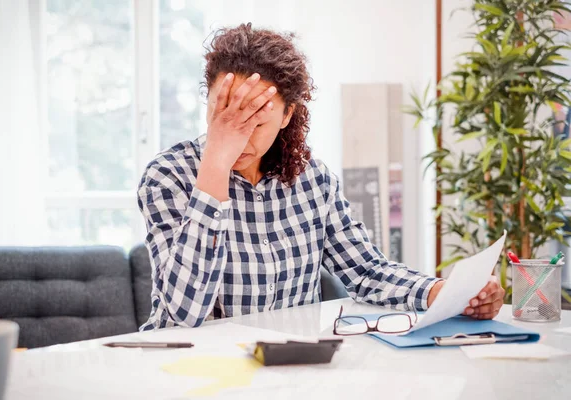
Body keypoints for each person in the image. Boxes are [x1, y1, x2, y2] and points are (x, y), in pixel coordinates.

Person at [137, 23, 505, 330]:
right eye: (226, 113)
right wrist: (214, 165)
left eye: (256, 120)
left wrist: (442, 292)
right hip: (191, 370)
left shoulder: (313, 179)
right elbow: (186, 314)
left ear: (286, 116)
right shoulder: (168, 176)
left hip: (289, 370)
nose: (238, 131)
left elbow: (365, 270)